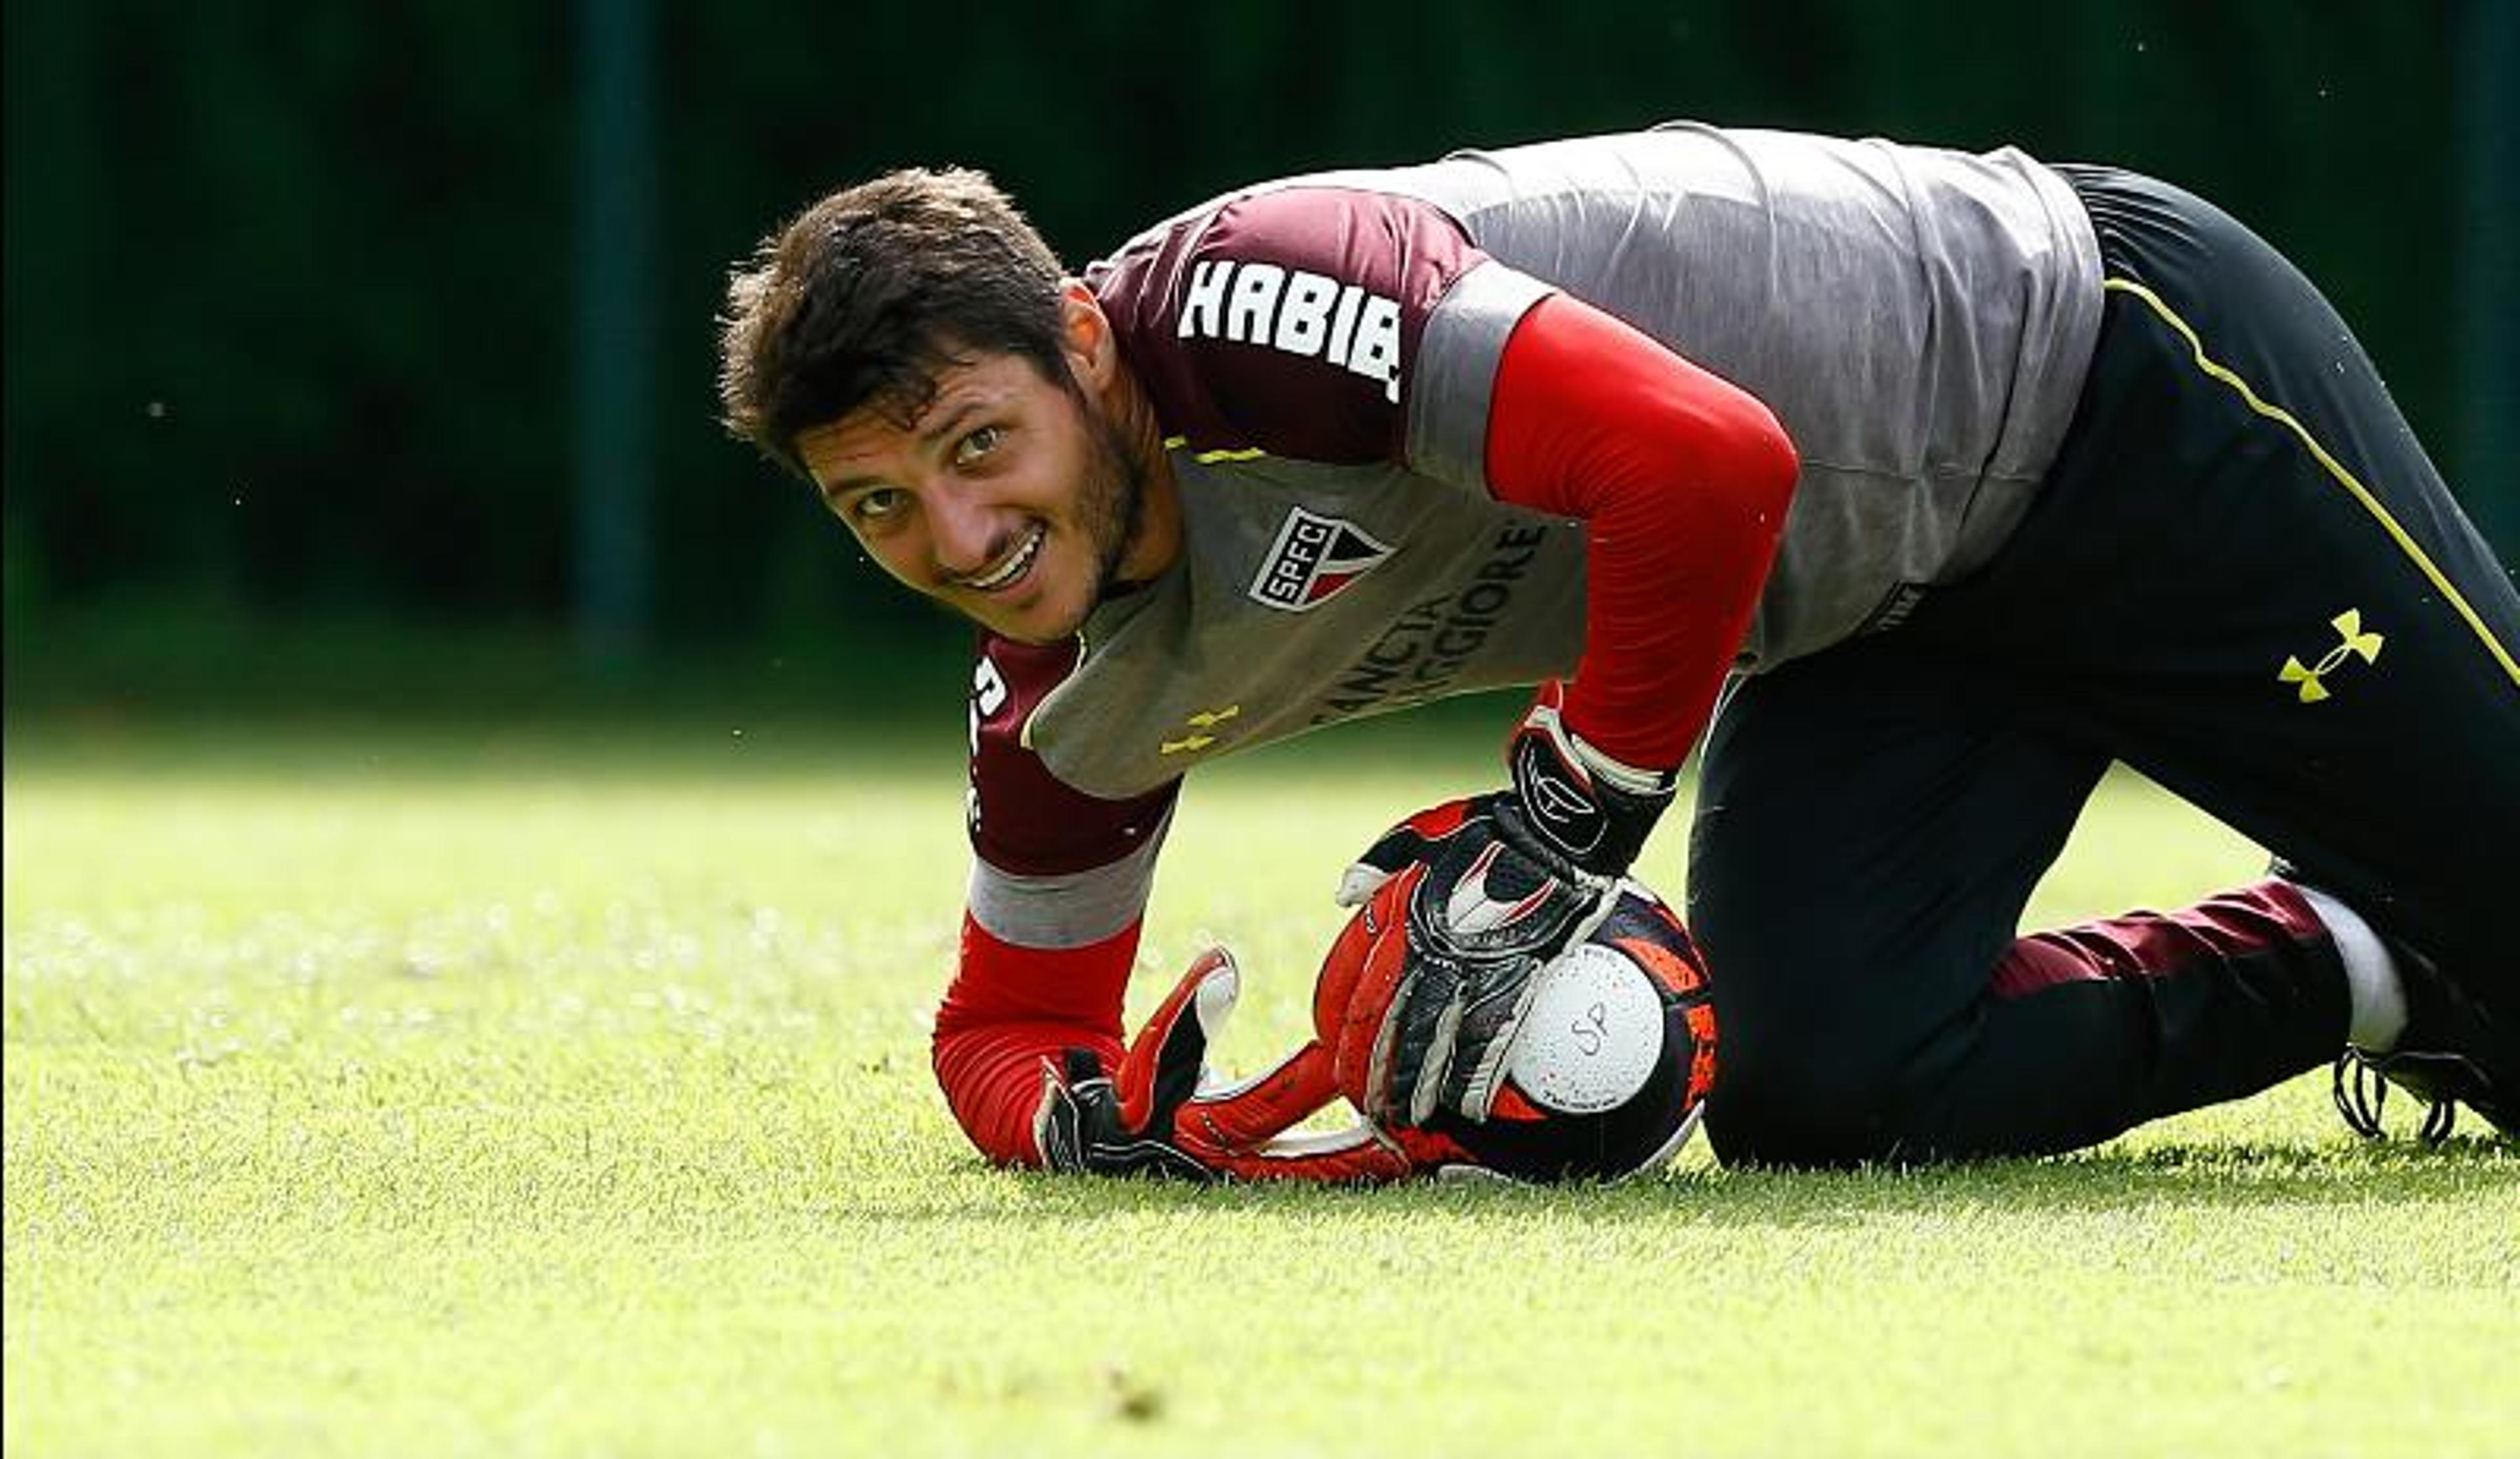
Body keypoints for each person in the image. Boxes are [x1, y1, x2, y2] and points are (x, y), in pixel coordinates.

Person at [717, 121, 2518, 1178]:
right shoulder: (1053, 687)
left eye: (975, 446)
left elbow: (1704, 459)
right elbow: (1008, 1024)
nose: (958, 541)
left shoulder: (1253, 304)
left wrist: (1566, 821)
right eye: (878, 508)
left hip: (2097, 372)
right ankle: (2384, 966)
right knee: (1830, 1089)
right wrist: (1095, 1124)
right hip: (1880, 605)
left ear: (1089, 352)